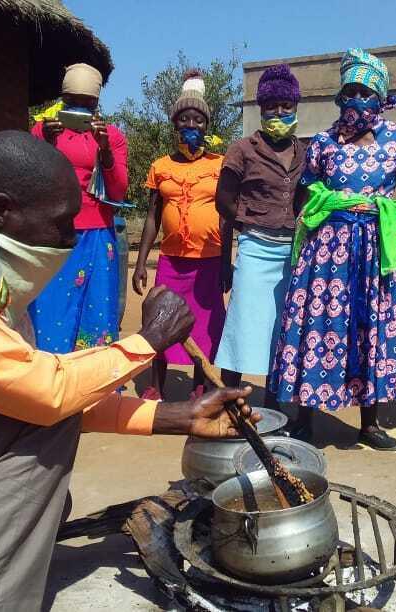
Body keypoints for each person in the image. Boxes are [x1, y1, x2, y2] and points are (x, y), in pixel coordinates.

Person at [0, 131, 257, 610]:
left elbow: (24, 387)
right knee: (44, 418)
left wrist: (178, 416)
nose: (70, 239)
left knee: (44, 491)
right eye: (62, 225)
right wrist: (148, 342)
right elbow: (46, 394)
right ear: (2, 211)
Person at [269, 49, 396, 449]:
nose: (357, 101)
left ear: (381, 98)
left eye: (365, 93)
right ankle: (304, 418)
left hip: (375, 248)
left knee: (372, 326)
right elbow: (305, 187)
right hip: (327, 249)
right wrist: (320, 209)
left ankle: (370, 424)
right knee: (319, 323)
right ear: (339, 97)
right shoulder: (324, 142)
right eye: (350, 92)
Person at [215, 64, 306, 407]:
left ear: (296, 106)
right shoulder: (243, 149)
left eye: (286, 105)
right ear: (260, 108)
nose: (279, 112)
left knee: (280, 329)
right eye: (272, 105)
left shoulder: (304, 152)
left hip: (291, 252)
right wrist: (249, 220)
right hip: (255, 247)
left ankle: (274, 405)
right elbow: (222, 199)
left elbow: (306, 199)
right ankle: (229, 403)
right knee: (242, 324)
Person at [133, 70, 226, 400]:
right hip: (172, 261)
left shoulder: (220, 165)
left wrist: (228, 264)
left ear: (206, 126)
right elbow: (152, 217)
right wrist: (142, 261)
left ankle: (199, 387)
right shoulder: (160, 167)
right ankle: (154, 387)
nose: (191, 125)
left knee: (204, 326)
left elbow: (228, 216)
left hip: (209, 262)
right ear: (175, 125)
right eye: (184, 119)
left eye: (198, 120)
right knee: (161, 318)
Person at [29, 63, 129, 352]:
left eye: (89, 104)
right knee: (52, 309)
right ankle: (50, 382)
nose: (81, 109)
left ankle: (95, 386)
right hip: (54, 234)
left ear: (98, 103)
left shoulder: (112, 136)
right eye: (73, 103)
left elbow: (119, 189)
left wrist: (105, 149)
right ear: (63, 99)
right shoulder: (42, 131)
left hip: (98, 234)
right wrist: (46, 142)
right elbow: (32, 180)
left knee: (97, 311)